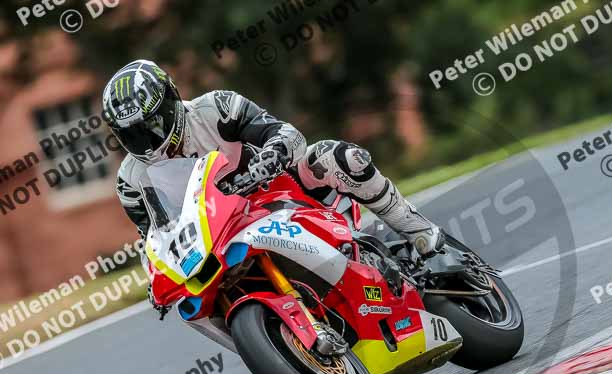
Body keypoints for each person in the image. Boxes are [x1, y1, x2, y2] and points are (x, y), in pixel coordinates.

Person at [103, 59, 444, 265]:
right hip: (221, 242)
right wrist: (155, 272)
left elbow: (287, 133)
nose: (147, 140)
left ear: (171, 102)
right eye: (133, 135)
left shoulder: (216, 109)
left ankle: (419, 232)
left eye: (152, 125)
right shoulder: (130, 182)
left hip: (280, 193)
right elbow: (154, 240)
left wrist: (272, 155)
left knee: (339, 158)